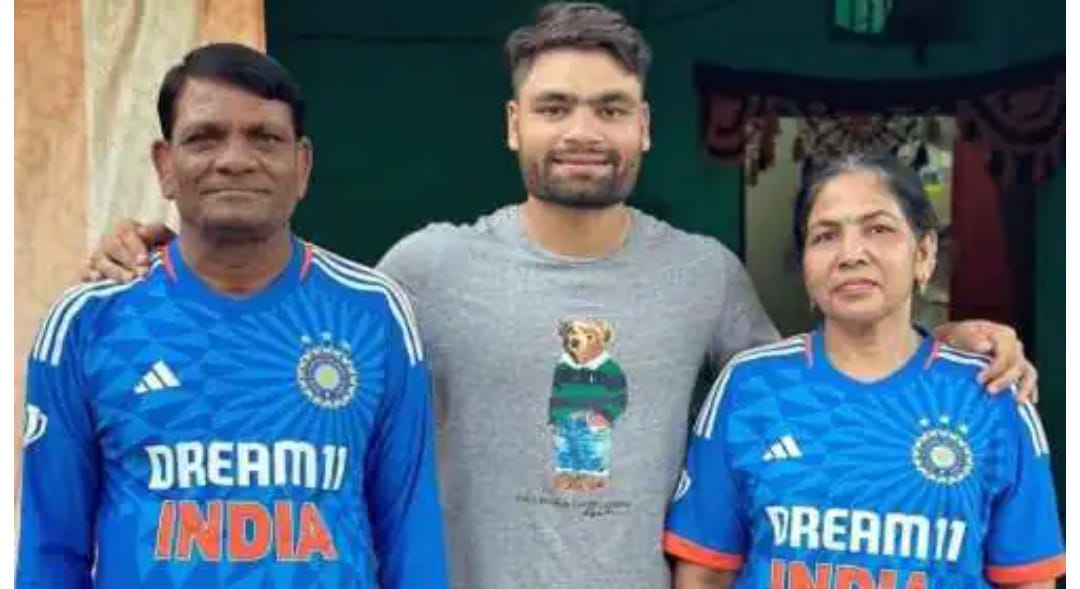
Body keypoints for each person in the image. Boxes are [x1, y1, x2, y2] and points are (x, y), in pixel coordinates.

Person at [79, 5, 1036, 588]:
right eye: (554, 107)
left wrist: (946, 336)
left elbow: (812, 386)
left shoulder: (703, 273)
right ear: (513, 126)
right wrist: (168, 252)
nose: (583, 130)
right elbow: (296, 309)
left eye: (609, 108)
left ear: (645, 127)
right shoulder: (426, 267)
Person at [17, 43, 448, 589]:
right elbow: (49, 552)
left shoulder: (374, 313)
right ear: (164, 165)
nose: (235, 160)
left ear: (302, 165)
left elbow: (411, 539)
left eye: (264, 138)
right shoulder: (89, 320)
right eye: (205, 137)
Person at [664, 153, 1064, 589]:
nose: (851, 254)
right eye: (825, 236)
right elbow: (706, 574)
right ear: (806, 266)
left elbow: (1028, 581)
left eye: (878, 229)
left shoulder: (992, 394)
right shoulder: (750, 387)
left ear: (924, 253)